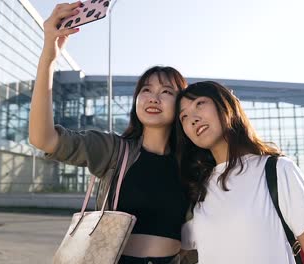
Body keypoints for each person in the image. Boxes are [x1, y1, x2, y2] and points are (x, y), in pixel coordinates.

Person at [28, 2, 190, 263]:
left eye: (166, 92)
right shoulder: (114, 150)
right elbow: (43, 138)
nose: (153, 98)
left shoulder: (191, 162)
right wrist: (48, 57)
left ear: (181, 103)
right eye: (146, 90)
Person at [176, 81, 304, 264]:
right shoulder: (199, 190)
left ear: (226, 105)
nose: (193, 118)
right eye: (184, 116)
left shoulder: (278, 170)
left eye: (200, 104)